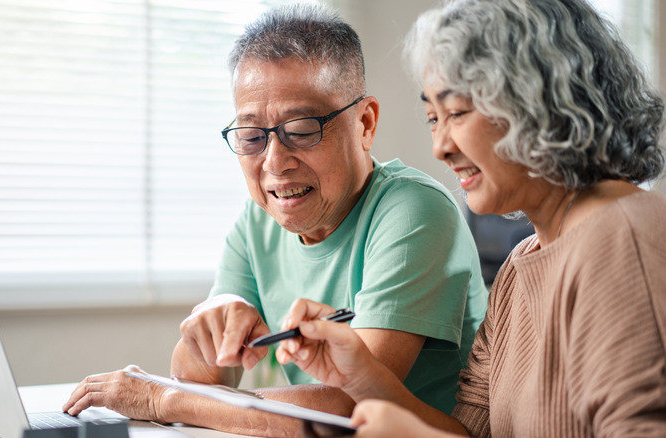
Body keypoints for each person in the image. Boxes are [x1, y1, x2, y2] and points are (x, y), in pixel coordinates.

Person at [62, 3, 488, 437]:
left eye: (302, 130)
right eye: (251, 137)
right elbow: (204, 384)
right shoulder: (259, 221)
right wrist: (208, 329)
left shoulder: (414, 210)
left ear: (365, 123)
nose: (275, 163)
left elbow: (344, 405)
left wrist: (162, 398)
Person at [276, 0, 666, 436]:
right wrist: (362, 376)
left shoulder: (623, 240)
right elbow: (471, 432)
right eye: (431, 118)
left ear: (540, 101)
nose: (439, 147)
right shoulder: (519, 268)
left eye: (456, 112)